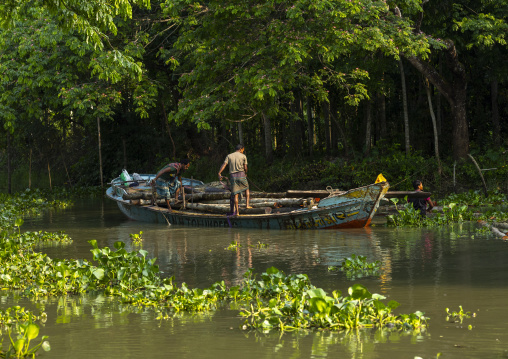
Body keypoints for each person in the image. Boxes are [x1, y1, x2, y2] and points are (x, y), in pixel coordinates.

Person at [218, 144, 251, 215]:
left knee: (235, 194)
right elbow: (245, 167)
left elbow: (224, 164)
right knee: (247, 188)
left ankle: (237, 212)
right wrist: (245, 173)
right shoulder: (243, 156)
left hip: (233, 177)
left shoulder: (229, 156)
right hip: (241, 175)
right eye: (243, 150)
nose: (243, 151)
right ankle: (247, 205)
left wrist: (219, 173)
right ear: (241, 149)